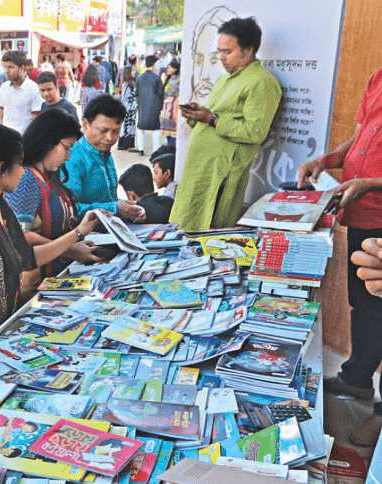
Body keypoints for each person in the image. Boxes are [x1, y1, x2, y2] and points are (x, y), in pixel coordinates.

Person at [0, 123, 101, 344]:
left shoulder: (2, 208)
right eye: (19, 163)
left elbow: (26, 258)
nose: (23, 171)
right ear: (1, 167)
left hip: (3, 331)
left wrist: (78, 232)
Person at [298, 66, 382, 447]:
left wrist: (370, 183)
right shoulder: (377, 76)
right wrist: (329, 160)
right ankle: (357, 378)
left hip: (377, 206)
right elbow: (361, 136)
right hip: (361, 211)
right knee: (363, 302)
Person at [171, 17, 281, 231]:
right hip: (200, 169)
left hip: (221, 174)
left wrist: (211, 119)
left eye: (228, 52)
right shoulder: (224, 80)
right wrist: (197, 117)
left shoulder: (262, 82)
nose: (221, 57)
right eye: (219, 51)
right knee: (184, 226)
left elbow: (255, 132)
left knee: (208, 231)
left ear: (248, 50)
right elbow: (215, 119)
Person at [6, 109, 102, 283]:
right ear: (48, 142)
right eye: (67, 148)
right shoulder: (27, 179)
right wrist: (71, 247)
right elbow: (21, 235)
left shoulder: (47, 177)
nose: (68, 156)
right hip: (33, 282)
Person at [66, 94, 146, 222]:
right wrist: (115, 208)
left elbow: (108, 200)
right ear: (85, 124)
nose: (109, 138)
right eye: (103, 131)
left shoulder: (105, 153)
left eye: (115, 131)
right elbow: (69, 209)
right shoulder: (73, 159)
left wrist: (128, 208)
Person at [0, 50, 42, 133]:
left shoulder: (34, 89)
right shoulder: (4, 87)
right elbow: (0, 115)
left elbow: (36, 120)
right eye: (5, 67)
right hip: (5, 136)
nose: (7, 71)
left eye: (11, 67)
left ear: (22, 68)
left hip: (24, 137)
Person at [135, 55, 164, 157]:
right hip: (154, 106)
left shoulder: (139, 78)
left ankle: (141, 149)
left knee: (141, 127)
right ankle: (156, 150)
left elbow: (136, 93)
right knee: (155, 128)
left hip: (142, 105)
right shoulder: (157, 78)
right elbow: (161, 94)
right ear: (154, 64)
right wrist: (160, 106)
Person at [117, 62, 138, 150]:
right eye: (132, 71)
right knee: (129, 125)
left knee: (127, 125)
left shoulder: (125, 84)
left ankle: (124, 143)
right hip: (129, 108)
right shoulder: (129, 84)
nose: (134, 72)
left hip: (128, 108)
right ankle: (127, 143)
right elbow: (128, 97)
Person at [160, 60, 181, 144]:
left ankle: (172, 146)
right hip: (166, 106)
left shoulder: (179, 80)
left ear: (175, 69)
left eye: (170, 68)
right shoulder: (167, 79)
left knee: (173, 130)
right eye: (168, 68)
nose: (168, 69)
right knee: (167, 130)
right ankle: (169, 145)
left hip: (173, 105)